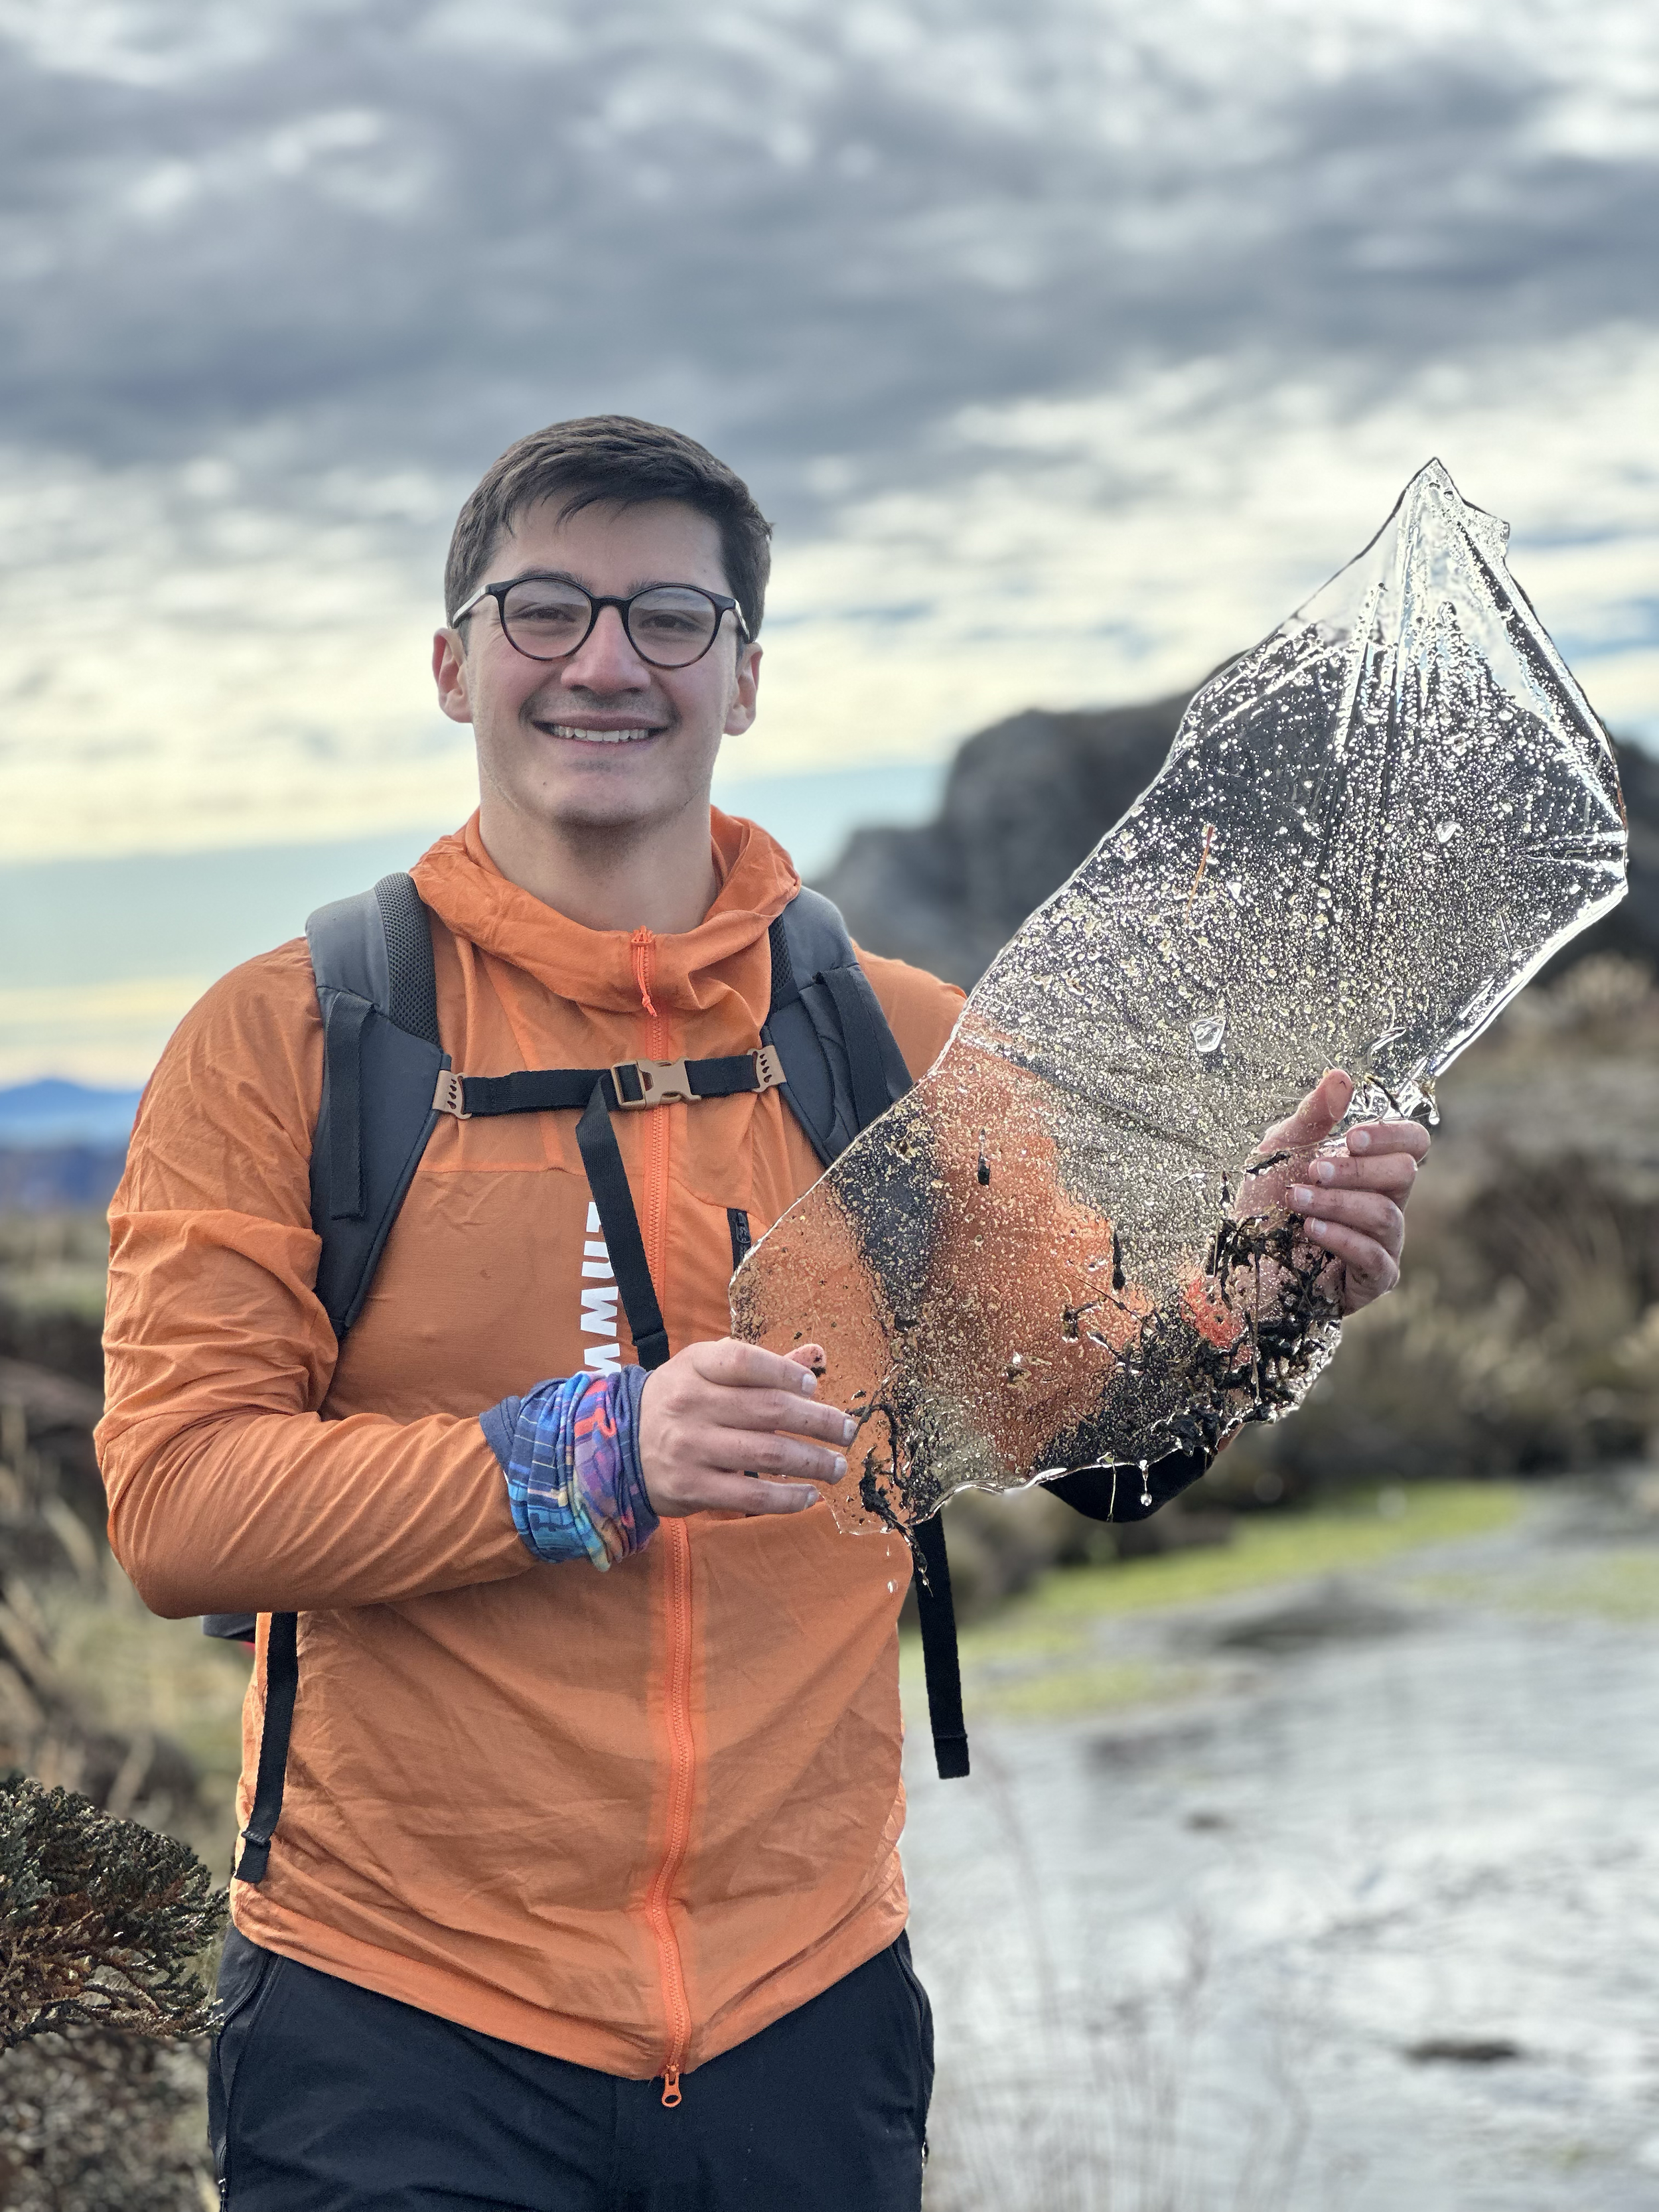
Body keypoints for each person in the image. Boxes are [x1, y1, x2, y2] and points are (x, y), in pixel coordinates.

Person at [96, 416, 1428, 2211]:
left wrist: (1260, 1293)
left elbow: (1086, 1433)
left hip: (802, 2027)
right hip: (395, 2025)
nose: (603, 660)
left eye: (668, 616)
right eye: (545, 605)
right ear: (450, 662)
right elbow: (180, 1509)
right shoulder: (295, 1039)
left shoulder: (880, 1037)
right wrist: (593, 1450)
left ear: (742, 677)